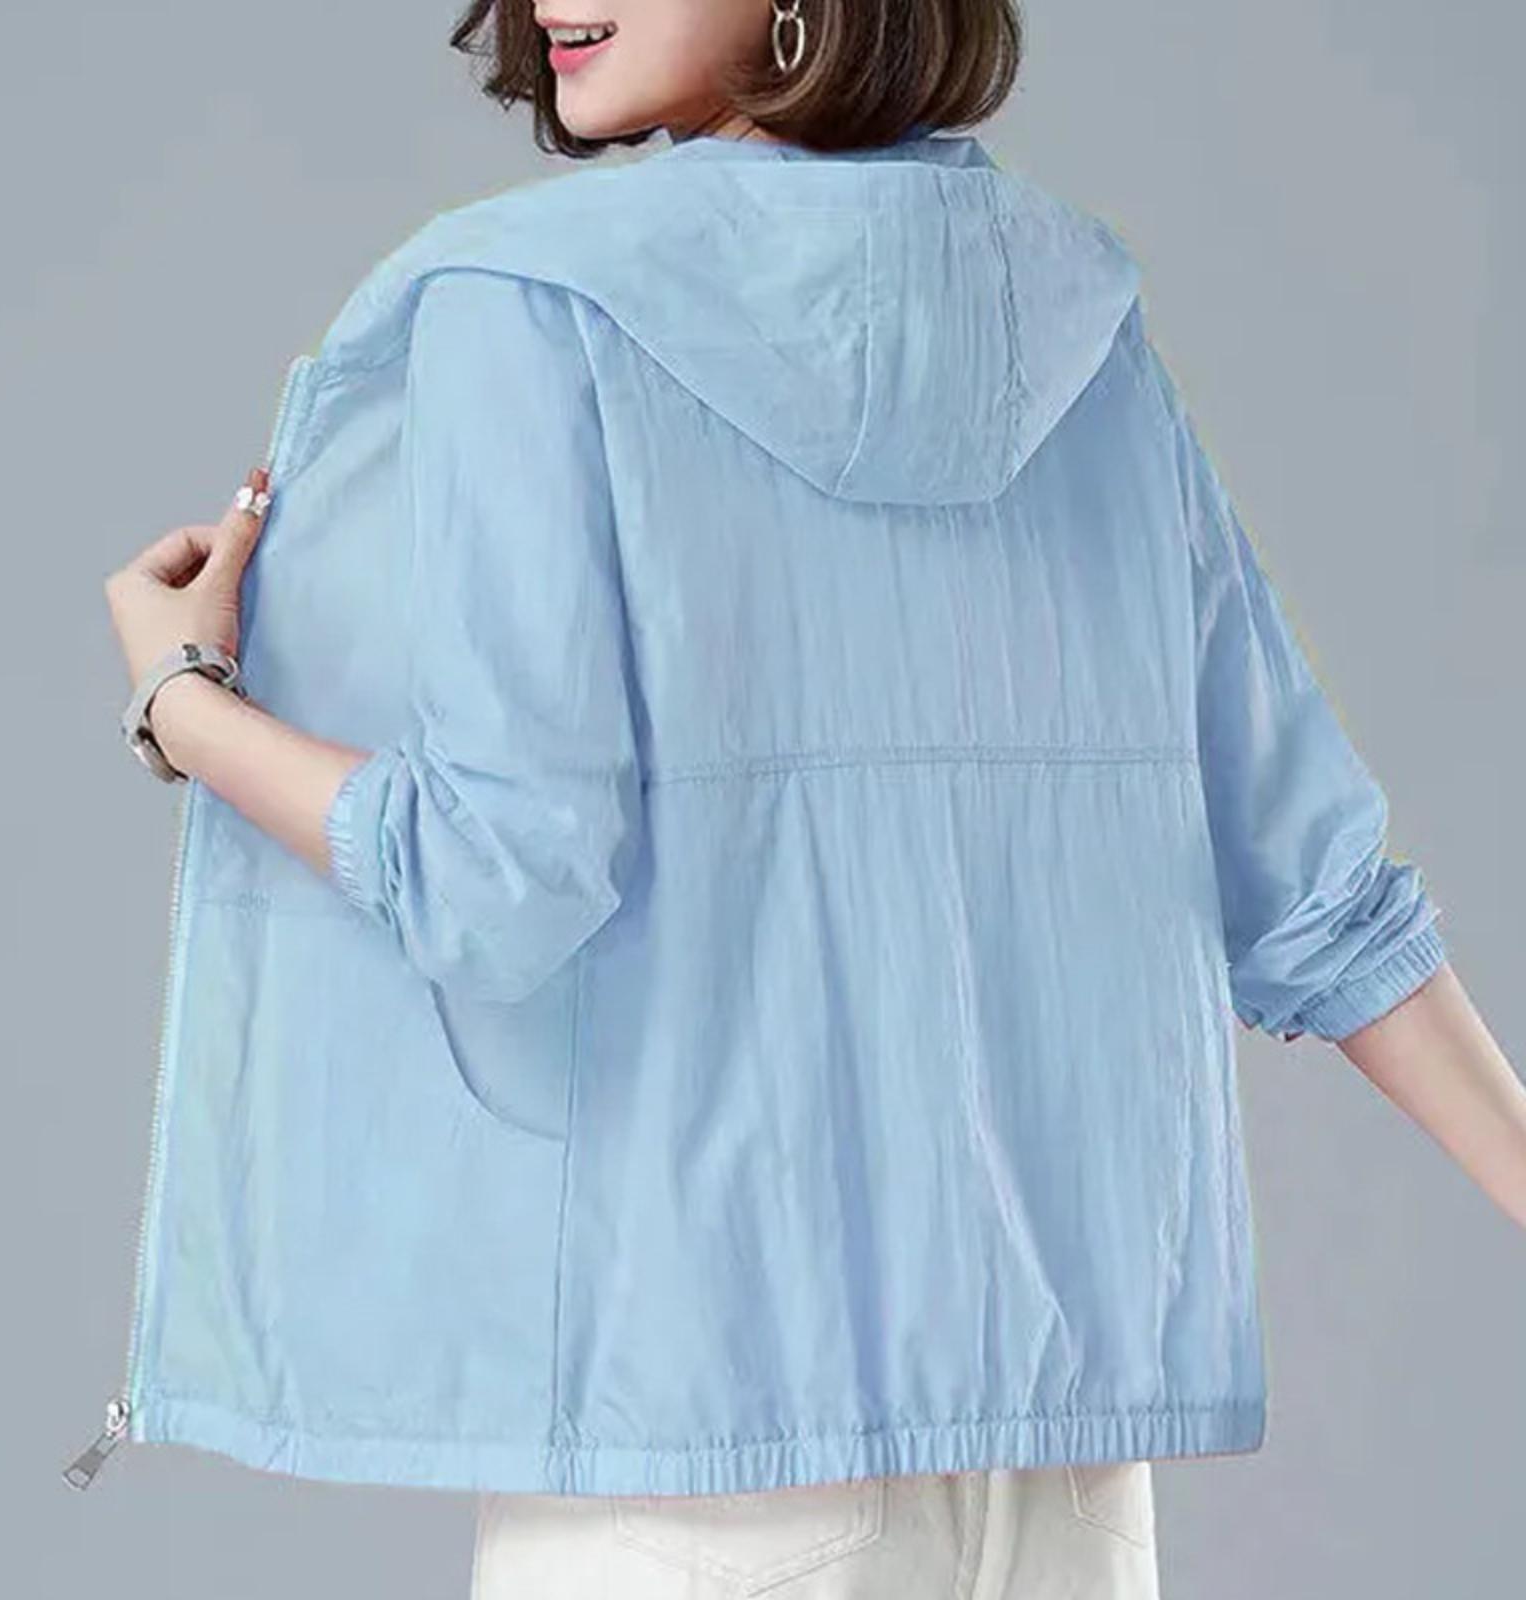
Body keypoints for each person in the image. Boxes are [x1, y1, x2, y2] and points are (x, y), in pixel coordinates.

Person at [88, 1, 1525, 1595]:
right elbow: (1321, 896)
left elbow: (501, 880)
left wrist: (183, 704)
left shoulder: (529, 306)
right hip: (1061, 1485)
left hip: (695, 1468)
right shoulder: (1069, 321)